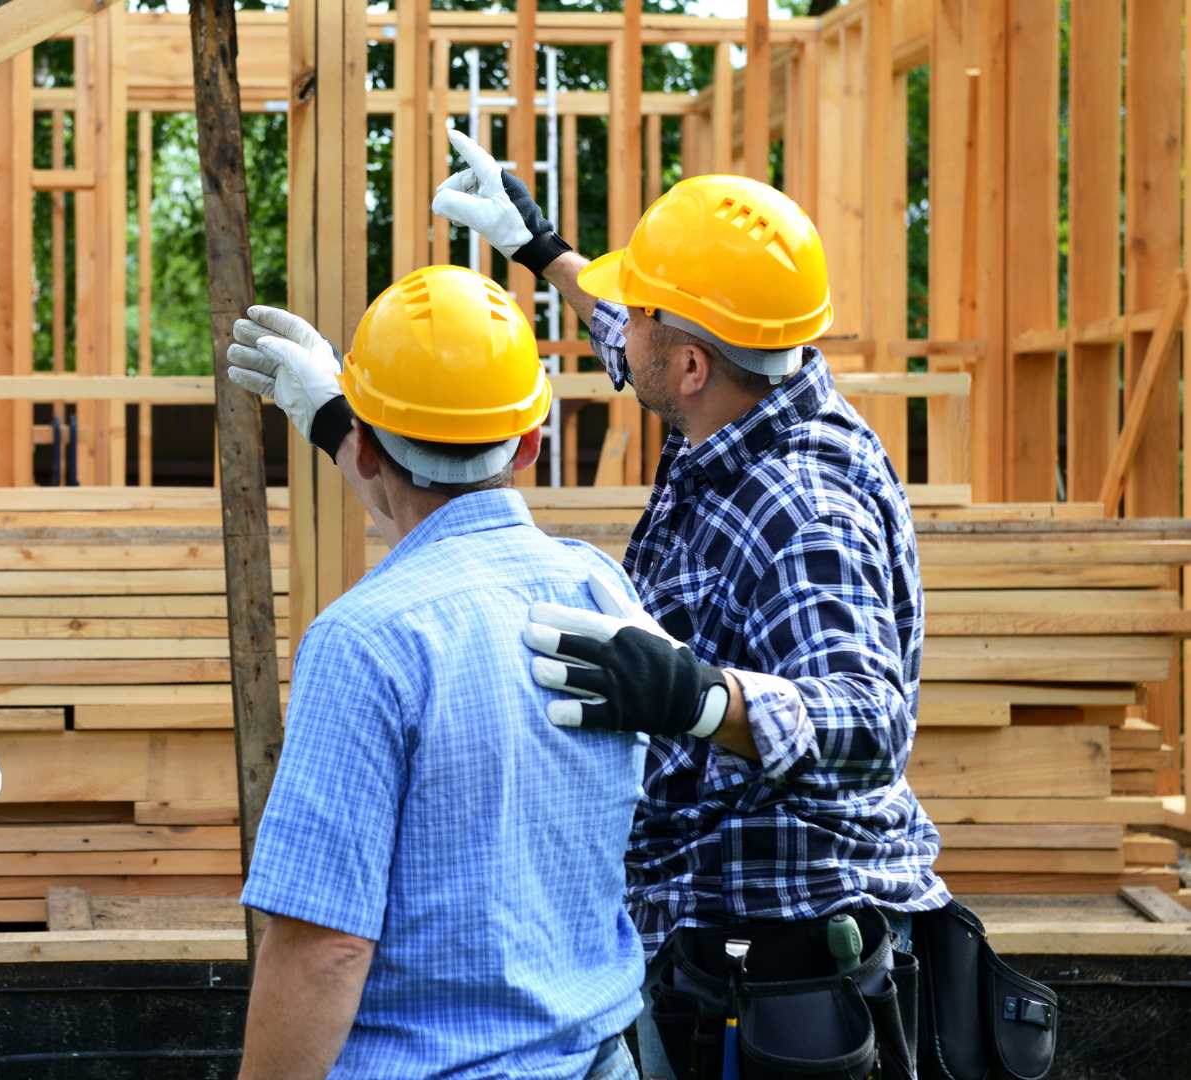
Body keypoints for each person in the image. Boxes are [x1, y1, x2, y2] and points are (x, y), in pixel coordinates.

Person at [237, 129, 946, 1079]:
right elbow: (555, 400)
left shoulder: (804, 508)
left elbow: (873, 721)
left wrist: (702, 699)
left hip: (783, 969)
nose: (619, 326)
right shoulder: (722, 408)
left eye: (641, 312)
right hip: (624, 1011)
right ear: (532, 444)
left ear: (691, 366)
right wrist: (539, 249)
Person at [231, 265, 646, 1080]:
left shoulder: (364, 642)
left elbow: (325, 948)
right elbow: (453, 529)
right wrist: (336, 419)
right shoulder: (601, 588)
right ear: (530, 442)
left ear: (365, 442)